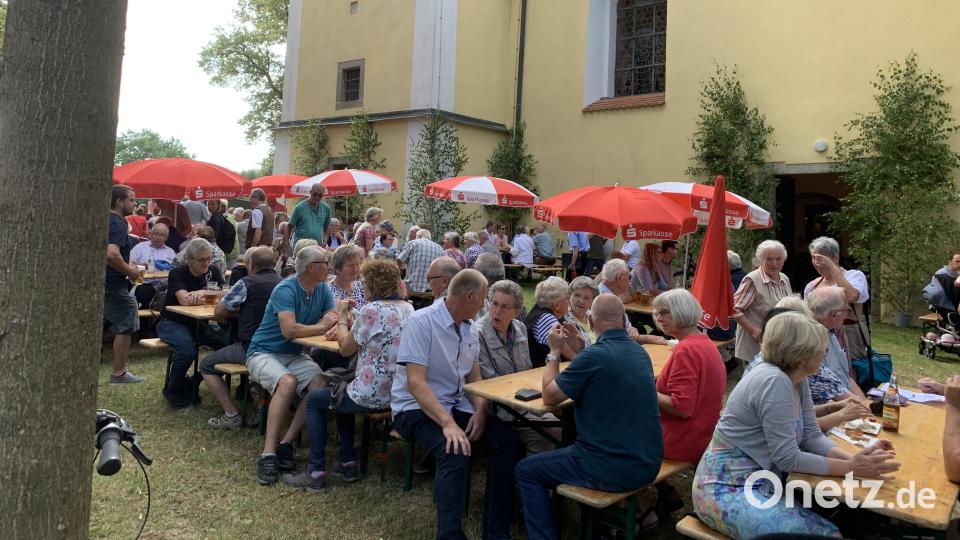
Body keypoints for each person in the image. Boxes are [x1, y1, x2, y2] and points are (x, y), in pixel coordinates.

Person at [692, 312, 899, 538]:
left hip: (762, 481)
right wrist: (852, 468)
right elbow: (787, 458)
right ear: (801, 356)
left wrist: (854, 461)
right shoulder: (774, 381)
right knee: (827, 534)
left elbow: (811, 436)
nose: (824, 354)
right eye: (822, 349)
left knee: (844, 515)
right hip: (726, 490)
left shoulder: (795, 378)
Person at [516, 294, 663, 539]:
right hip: (648, 461)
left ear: (592, 323)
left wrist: (554, 351)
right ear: (624, 319)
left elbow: (550, 397)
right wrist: (580, 348)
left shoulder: (594, 357)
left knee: (526, 470)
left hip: (610, 466)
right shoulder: (639, 353)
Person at [391, 270, 521, 539]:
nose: (486, 307)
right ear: (469, 297)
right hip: (414, 408)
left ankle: (495, 531)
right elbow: (416, 383)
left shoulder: (469, 327)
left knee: (508, 443)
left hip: (455, 404)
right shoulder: (422, 321)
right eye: (484, 300)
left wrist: (481, 410)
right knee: (455, 449)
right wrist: (448, 424)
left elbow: (474, 376)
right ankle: (450, 534)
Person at [285, 259, 415, 489]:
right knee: (340, 390)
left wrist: (343, 316)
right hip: (397, 393)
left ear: (373, 284)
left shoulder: (372, 310)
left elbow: (345, 349)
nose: (362, 286)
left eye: (364, 282)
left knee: (315, 400)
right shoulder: (408, 308)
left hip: (371, 395)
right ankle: (347, 462)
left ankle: (315, 471)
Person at [246, 246, 339, 485]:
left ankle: (286, 443)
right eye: (324, 263)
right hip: (263, 352)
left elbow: (333, 318)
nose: (328, 267)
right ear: (310, 267)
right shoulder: (285, 289)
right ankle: (268, 454)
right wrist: (322, 325)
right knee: (287, 382)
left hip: (294, 355)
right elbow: (290, 330)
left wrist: (330, 323)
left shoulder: (322, 288)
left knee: (320, 384)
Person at [200, 247, 280, 428]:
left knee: (206, 365)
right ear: (274, 264)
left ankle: (231, 414)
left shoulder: (247, 282)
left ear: (251, 264)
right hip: (281, 346)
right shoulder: (285, 283)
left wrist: (237, 310)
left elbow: (219, 311)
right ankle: (261, 407)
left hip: (252, 347)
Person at [652, 290, 726, 464]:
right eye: (657, 313)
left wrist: (645, 389)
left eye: (664, 313)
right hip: (704, 435)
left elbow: (681, 408)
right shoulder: (706, 343)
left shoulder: (686, 350)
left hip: (680, 442)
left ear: (682, 312)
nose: (659, 318)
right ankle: (665, 490)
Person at [157, 238, 229, 408]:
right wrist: (209, 294)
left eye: (209, 258)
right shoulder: (177, 273)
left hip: (201, 323)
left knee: (229, 348)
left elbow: (226, 293)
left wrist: (202, 292)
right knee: (187, 351)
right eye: (201, 260)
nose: (206, 263)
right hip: (172, 322)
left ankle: (194, 382)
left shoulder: (213, 271)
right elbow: (185, 300)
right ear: (189, 259)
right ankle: (173, 389)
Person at [804, 236, 871, 363]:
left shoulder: (854, 276)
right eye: (814, 258)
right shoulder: (812, 285)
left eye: (821, 258)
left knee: (851, 371)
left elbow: (852, 296)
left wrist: (832, 268)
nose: (817, 263)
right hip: (821, 337)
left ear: (836, 258)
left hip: (849, 336)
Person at [103, 185, 146, 385]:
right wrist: (131, 272)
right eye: (131, 200)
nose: (135, 204)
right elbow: (111, 254)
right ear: (119, 201)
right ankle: (119, 373)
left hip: (107, 282)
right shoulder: (118, 223)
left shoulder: (108, 220)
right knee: (128, 317)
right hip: (112, 283)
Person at [732, 239, 793, 362]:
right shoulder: (752, 279)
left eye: (778, 259)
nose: (774, 264)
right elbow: (734, 308)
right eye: (769, 259)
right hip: (756, 346)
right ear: (761, 260)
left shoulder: (784, 278)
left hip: (778, 344)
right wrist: (753, 330)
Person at [806, 287, 867, 401]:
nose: (848, 315)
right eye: (847, 310)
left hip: (849, 406)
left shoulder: (831, 334)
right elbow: (830, 391)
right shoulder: (811, 343)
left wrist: (864, 402)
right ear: (834, 315)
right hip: (833, 411)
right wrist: (863, 408)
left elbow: (845, 377)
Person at [525, 276, 582, 366]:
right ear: (557, 305)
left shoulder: (543, 313)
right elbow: (572, 356)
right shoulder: (546, 319)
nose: (569, 301)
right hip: (540, 375)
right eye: (567, 298)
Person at [129, 222, 176, 309]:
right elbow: (129, 267)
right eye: (155, 234)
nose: (157, 237)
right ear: (151, 234)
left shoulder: (170, 252)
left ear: (166, 237)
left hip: (164, 287)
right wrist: (141, 266)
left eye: (161, 235)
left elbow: (175, 271)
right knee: (144, 292)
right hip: (143, 284)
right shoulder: (140, 248)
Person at [284, 183, 331, 257]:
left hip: (317, 247)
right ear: (310, 192)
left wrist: (325, 239)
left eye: (320, 195)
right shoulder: (300, 207)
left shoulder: (326, 208)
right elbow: (289, 226)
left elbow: (327, 225)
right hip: (301, 247)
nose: (317, 197)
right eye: (315, 194)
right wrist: (286, 245)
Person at [398, 228, 444, 293]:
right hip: (429, 291)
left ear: (419, 236)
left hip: (410, 288)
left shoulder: (413, 243)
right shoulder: (440, 248)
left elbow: (398, 262)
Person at [328, 244, 366, 310]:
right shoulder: (328, 292)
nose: (355, 269)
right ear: (337, 268)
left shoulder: (361, 286)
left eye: (357, 264)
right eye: (350, 266)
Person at [564, 276, 599, 345]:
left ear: (592, 301)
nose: (581, 301)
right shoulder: (565, 319)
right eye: (577, 295)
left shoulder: (593, 316)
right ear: (570, 295)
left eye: (586, 298)